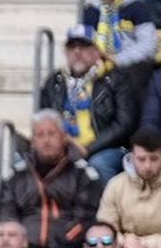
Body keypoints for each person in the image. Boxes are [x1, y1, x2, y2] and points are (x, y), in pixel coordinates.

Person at [0, 110, 101, 248]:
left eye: (52, 134)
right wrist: (20, 244)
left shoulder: (83, 174)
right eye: (40, 135)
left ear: (64, 137)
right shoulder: (16, 175)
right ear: (32, 142)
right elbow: (4, 215)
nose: (46, 140)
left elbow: (85, 220)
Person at [37, 23, 139, 182]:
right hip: (64, 145)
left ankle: (105, 207)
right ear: (65, 52)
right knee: (26, 161)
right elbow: (44, 118)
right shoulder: (54, 82)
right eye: (72, 46)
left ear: (97, 51)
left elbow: (124, 123)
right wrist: (62, 143)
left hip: (106, 148)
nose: (77, 51)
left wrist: (88, 148)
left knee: (99, 163)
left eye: (84, 46)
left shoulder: (115, 78)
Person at [82, 0, 158, 98]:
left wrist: (117, 59)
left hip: (129, 66)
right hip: (98, 63)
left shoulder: (136, 7)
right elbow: (85, 41)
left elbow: (149, 45)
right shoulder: (91, 10)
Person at [96, 127, 161, 248]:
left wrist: (144, 245)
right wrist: (125, 243)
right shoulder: (116, 185)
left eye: (154, 159)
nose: (147, 166)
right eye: (141, 159)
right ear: (131, 157)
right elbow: (105, 226)